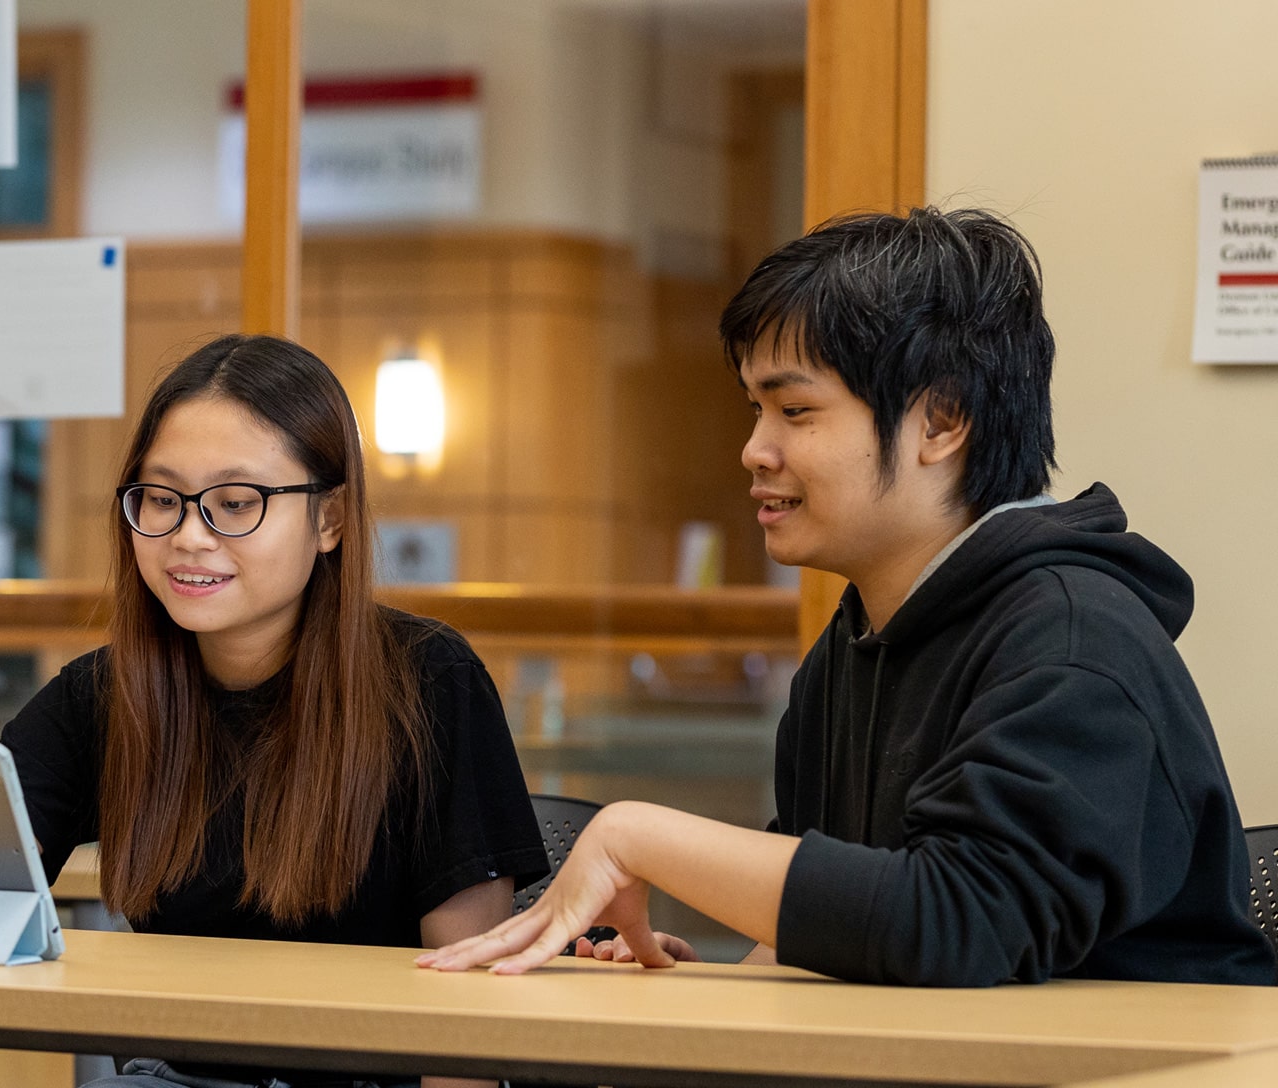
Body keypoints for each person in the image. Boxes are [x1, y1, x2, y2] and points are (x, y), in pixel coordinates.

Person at [420, 207, 1277, 987]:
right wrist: (700, 988)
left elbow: (960, 923)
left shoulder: (1078, 639)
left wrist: (639, 836)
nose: (754, 450)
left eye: (794, 411)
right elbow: (829, 926)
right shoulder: (860, 631)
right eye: (756, 409)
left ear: (941, 423)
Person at [0, 334, 551, 1088]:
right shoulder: (109, 693)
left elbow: (468, 996)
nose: (189, 537)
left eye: (235, 503)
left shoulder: (427, 681)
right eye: (160, 499)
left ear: (330, 518)